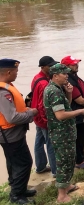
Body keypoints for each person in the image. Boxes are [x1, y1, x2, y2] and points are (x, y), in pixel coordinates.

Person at [43, 63, 84, 203]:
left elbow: (65, 105)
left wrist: (68, 92)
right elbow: (60, 115)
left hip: (64, 132)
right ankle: (62, 195)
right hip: (62, 134)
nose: (67, 75)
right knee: (64, 162)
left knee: (68, 159)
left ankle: (66, 186)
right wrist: (81, 111)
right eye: (64, 74)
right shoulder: (53, 91)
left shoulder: (56, 88)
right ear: (55, 76)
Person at [0, 59, 38, 204]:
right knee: (24, 163)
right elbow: (12, 117)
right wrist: (31, 113)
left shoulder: (7, 87)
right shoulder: (3, 92)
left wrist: (25, 109)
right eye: (16, 71)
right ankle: (16, 195)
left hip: (12, 134)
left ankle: (19, 188)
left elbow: (12, 111)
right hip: (10, 135)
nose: (17, 74)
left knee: (13, 163)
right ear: (8, 72)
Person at [61, 56, 84, 169]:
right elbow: (79, 99)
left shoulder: (75, 77)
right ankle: (78, 161)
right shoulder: (68, 80)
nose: (76, 65)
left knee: (82, 136)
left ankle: (82, 156)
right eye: (73, 64)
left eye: (76, 63)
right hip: (76, 112)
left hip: (81, 112)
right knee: (77, 138)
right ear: (66, 66)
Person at [32, 56, 58, 177]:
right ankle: (55, 171)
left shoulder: (36, 78)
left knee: (38, 141)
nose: (52, 67)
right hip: (43, 119)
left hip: (36, 117)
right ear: (43, 67)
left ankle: (41, 166)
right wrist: (47, 121)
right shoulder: (43, 83)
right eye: (50, 66)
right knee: (51, 144)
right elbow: (42, 105)